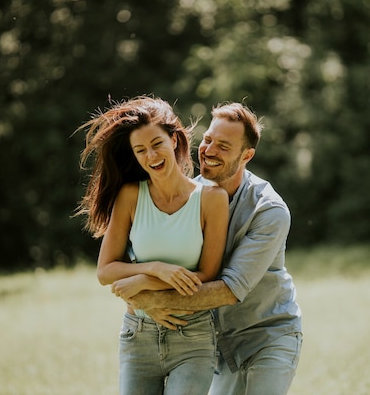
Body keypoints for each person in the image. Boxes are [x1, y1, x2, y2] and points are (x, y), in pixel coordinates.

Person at [118, 102, 303, 395]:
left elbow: (228, 290)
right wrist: (141, 283)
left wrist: (152, 299)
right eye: (208, 140)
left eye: (224, 146)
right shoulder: (189, 194)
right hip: (214, 341)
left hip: (267, 334)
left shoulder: (269, 211)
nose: (209, 150)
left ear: (247, 156)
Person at [76, 96, 229, 395]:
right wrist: (157, 269)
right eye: (140, 150)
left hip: (192, 336)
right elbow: (106, 271)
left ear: (173, 140)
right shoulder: (131, 196)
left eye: (157, 144)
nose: (151, 155)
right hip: (139, 336)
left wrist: (143, 282)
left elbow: (209, 274)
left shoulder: (212, 198)